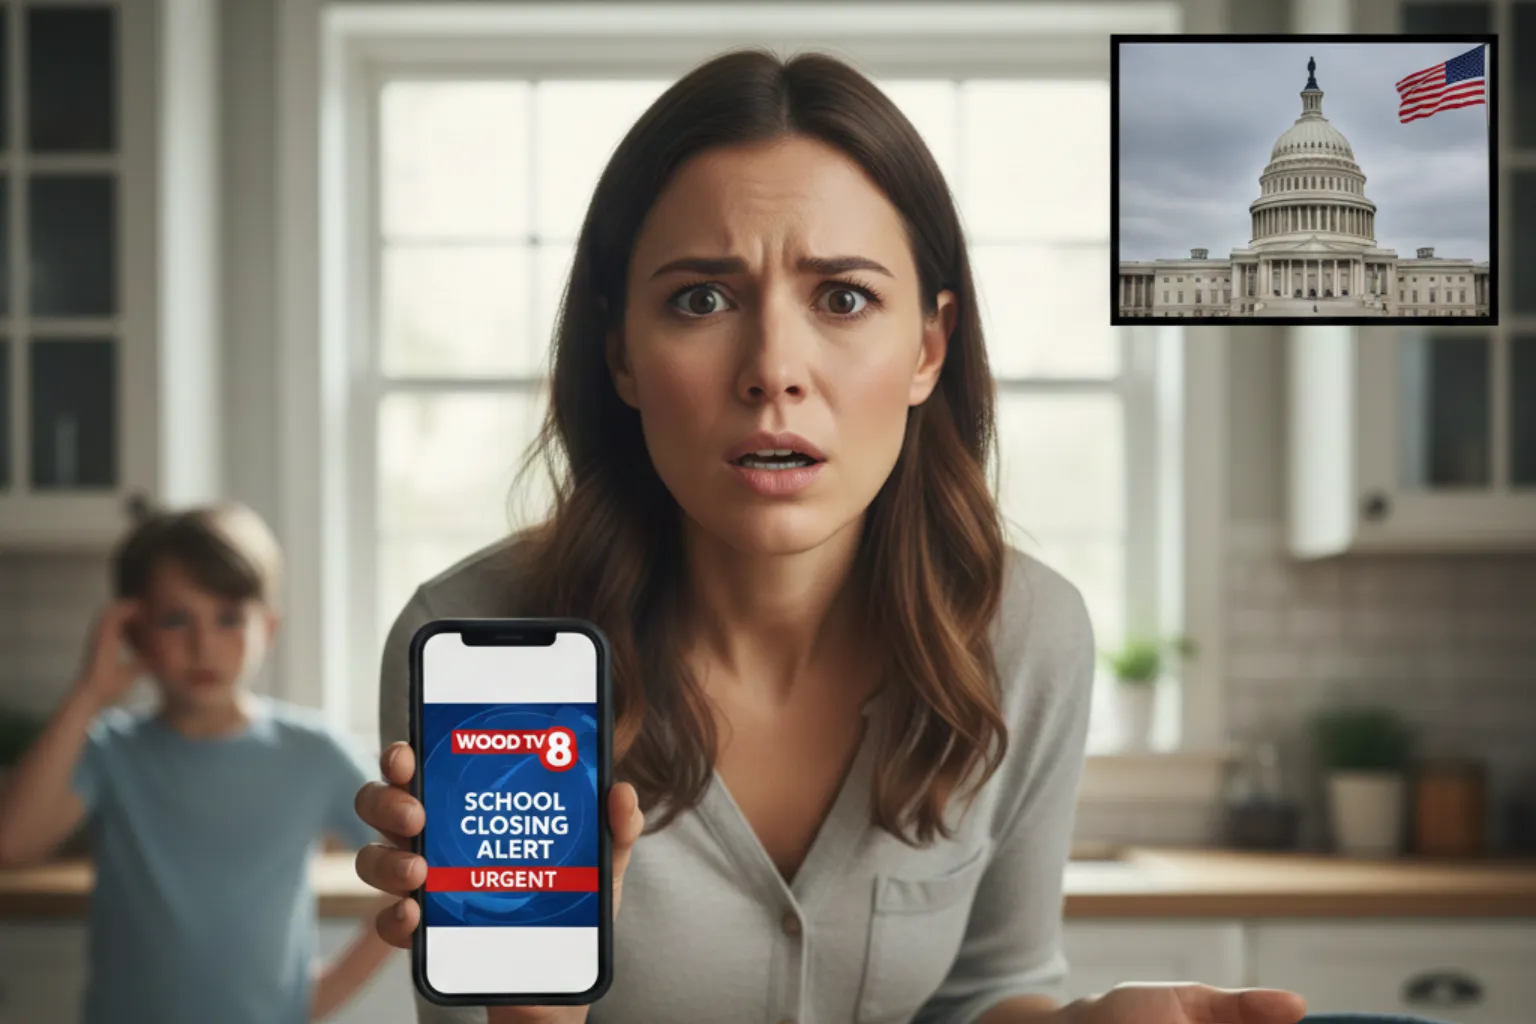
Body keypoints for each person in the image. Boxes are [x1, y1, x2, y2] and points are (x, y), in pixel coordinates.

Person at [353, 49, 1310, 1024]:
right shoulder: (480, 637)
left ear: (928, 347)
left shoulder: (1028, 635)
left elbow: (986, 990)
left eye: (843, 297)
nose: (773, 369)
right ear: (621, 353)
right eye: (701, 298)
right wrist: (531, 1008)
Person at [0, 502, 397, 1023]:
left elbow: (415, 863)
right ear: (135, 632)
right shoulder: (110, 749)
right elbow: (11, 844)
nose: (202, 644)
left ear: (268, 628)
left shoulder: (313, 751)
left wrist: (324, 992)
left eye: (228, 618)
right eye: (175, 619)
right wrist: (89, 690)